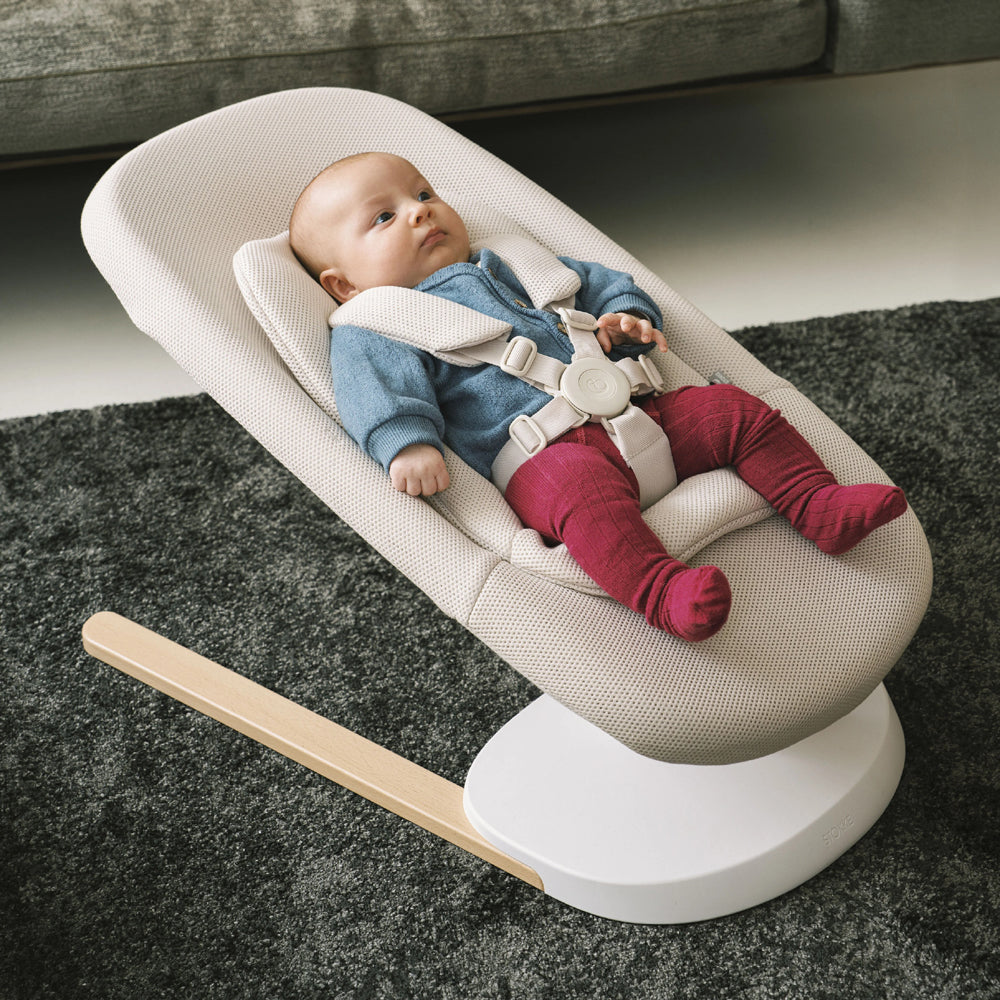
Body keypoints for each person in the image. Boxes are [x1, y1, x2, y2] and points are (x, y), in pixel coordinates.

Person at [289, 152, 907, 641]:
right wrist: (407, 444)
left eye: (424, 194)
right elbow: (375, 393)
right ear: (344, 285)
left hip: (643, 410)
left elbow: (600, 283)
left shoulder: (512, 263)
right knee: (584, 499)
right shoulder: (377, 324)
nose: (420, 213)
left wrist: (626, 315)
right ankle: (662, 592)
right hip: (546, 458)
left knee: (732, 409)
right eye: (384, 218)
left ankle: (815, 502)